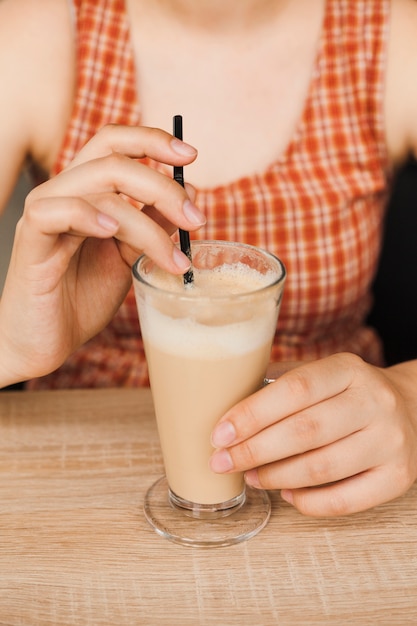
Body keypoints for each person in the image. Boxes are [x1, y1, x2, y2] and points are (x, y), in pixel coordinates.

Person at [1, 0, 417, 517]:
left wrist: (410, 399)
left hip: (325, 495)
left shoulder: (397, 35)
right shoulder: (31, 34)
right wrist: (11, 347)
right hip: (74, 501)